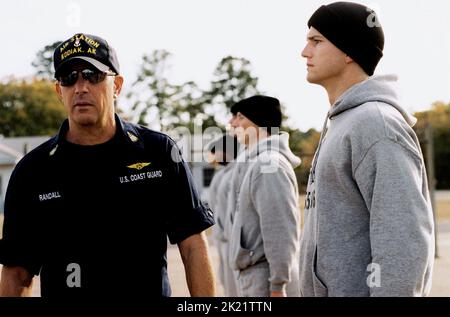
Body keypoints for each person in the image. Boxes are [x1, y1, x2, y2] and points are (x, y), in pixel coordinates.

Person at [0, 33, 216, 297]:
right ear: (59, 91)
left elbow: (192, 244)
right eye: (70, 78)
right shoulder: (33, 171)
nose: (81, 87)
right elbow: (17, 272)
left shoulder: (159, 152)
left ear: (117, 85)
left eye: (93, 75)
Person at [299, 2, 435, 296]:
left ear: (349, 51)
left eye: (316, 41)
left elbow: (403, 244)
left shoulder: (375, 124)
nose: (304, 51)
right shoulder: (342, 123)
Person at [227, 95, 301, 297]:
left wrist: (278, 285)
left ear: (257, 122)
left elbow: (280, 229)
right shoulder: (258, 162)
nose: (233, 123)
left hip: (266, 282)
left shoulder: (268, 165)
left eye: (240, 117)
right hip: (258, 278)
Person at [206, 134, 240, 296]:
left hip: (233, 241)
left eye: (218, 152)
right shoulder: (222, 174)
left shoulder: (237, 172)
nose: (216, 156)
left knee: (237, 290)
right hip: (223, 240)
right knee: (228, 287)